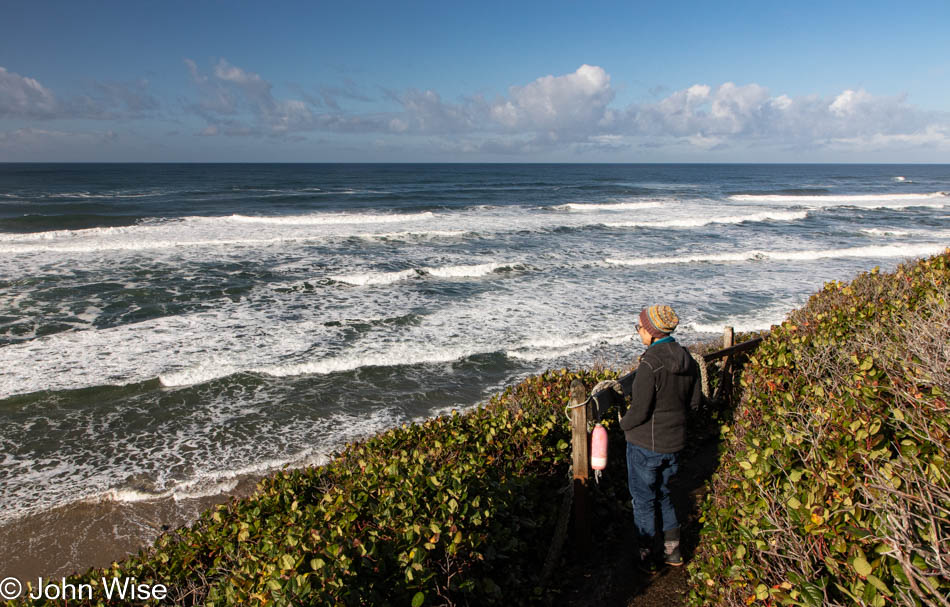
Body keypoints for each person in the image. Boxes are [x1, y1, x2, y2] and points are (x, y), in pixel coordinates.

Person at [619, 304, 701, 569]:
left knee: (643, 500)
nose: (638, 332)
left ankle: (647, 556)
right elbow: (695, 403)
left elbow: (639, 411)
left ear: (652, 332)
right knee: (664, 493)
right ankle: (672, 551)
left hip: (645, 445)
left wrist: (623, 426)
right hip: (674, 443)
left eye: (639, 327)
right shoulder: (688, 359)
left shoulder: (650, 363)